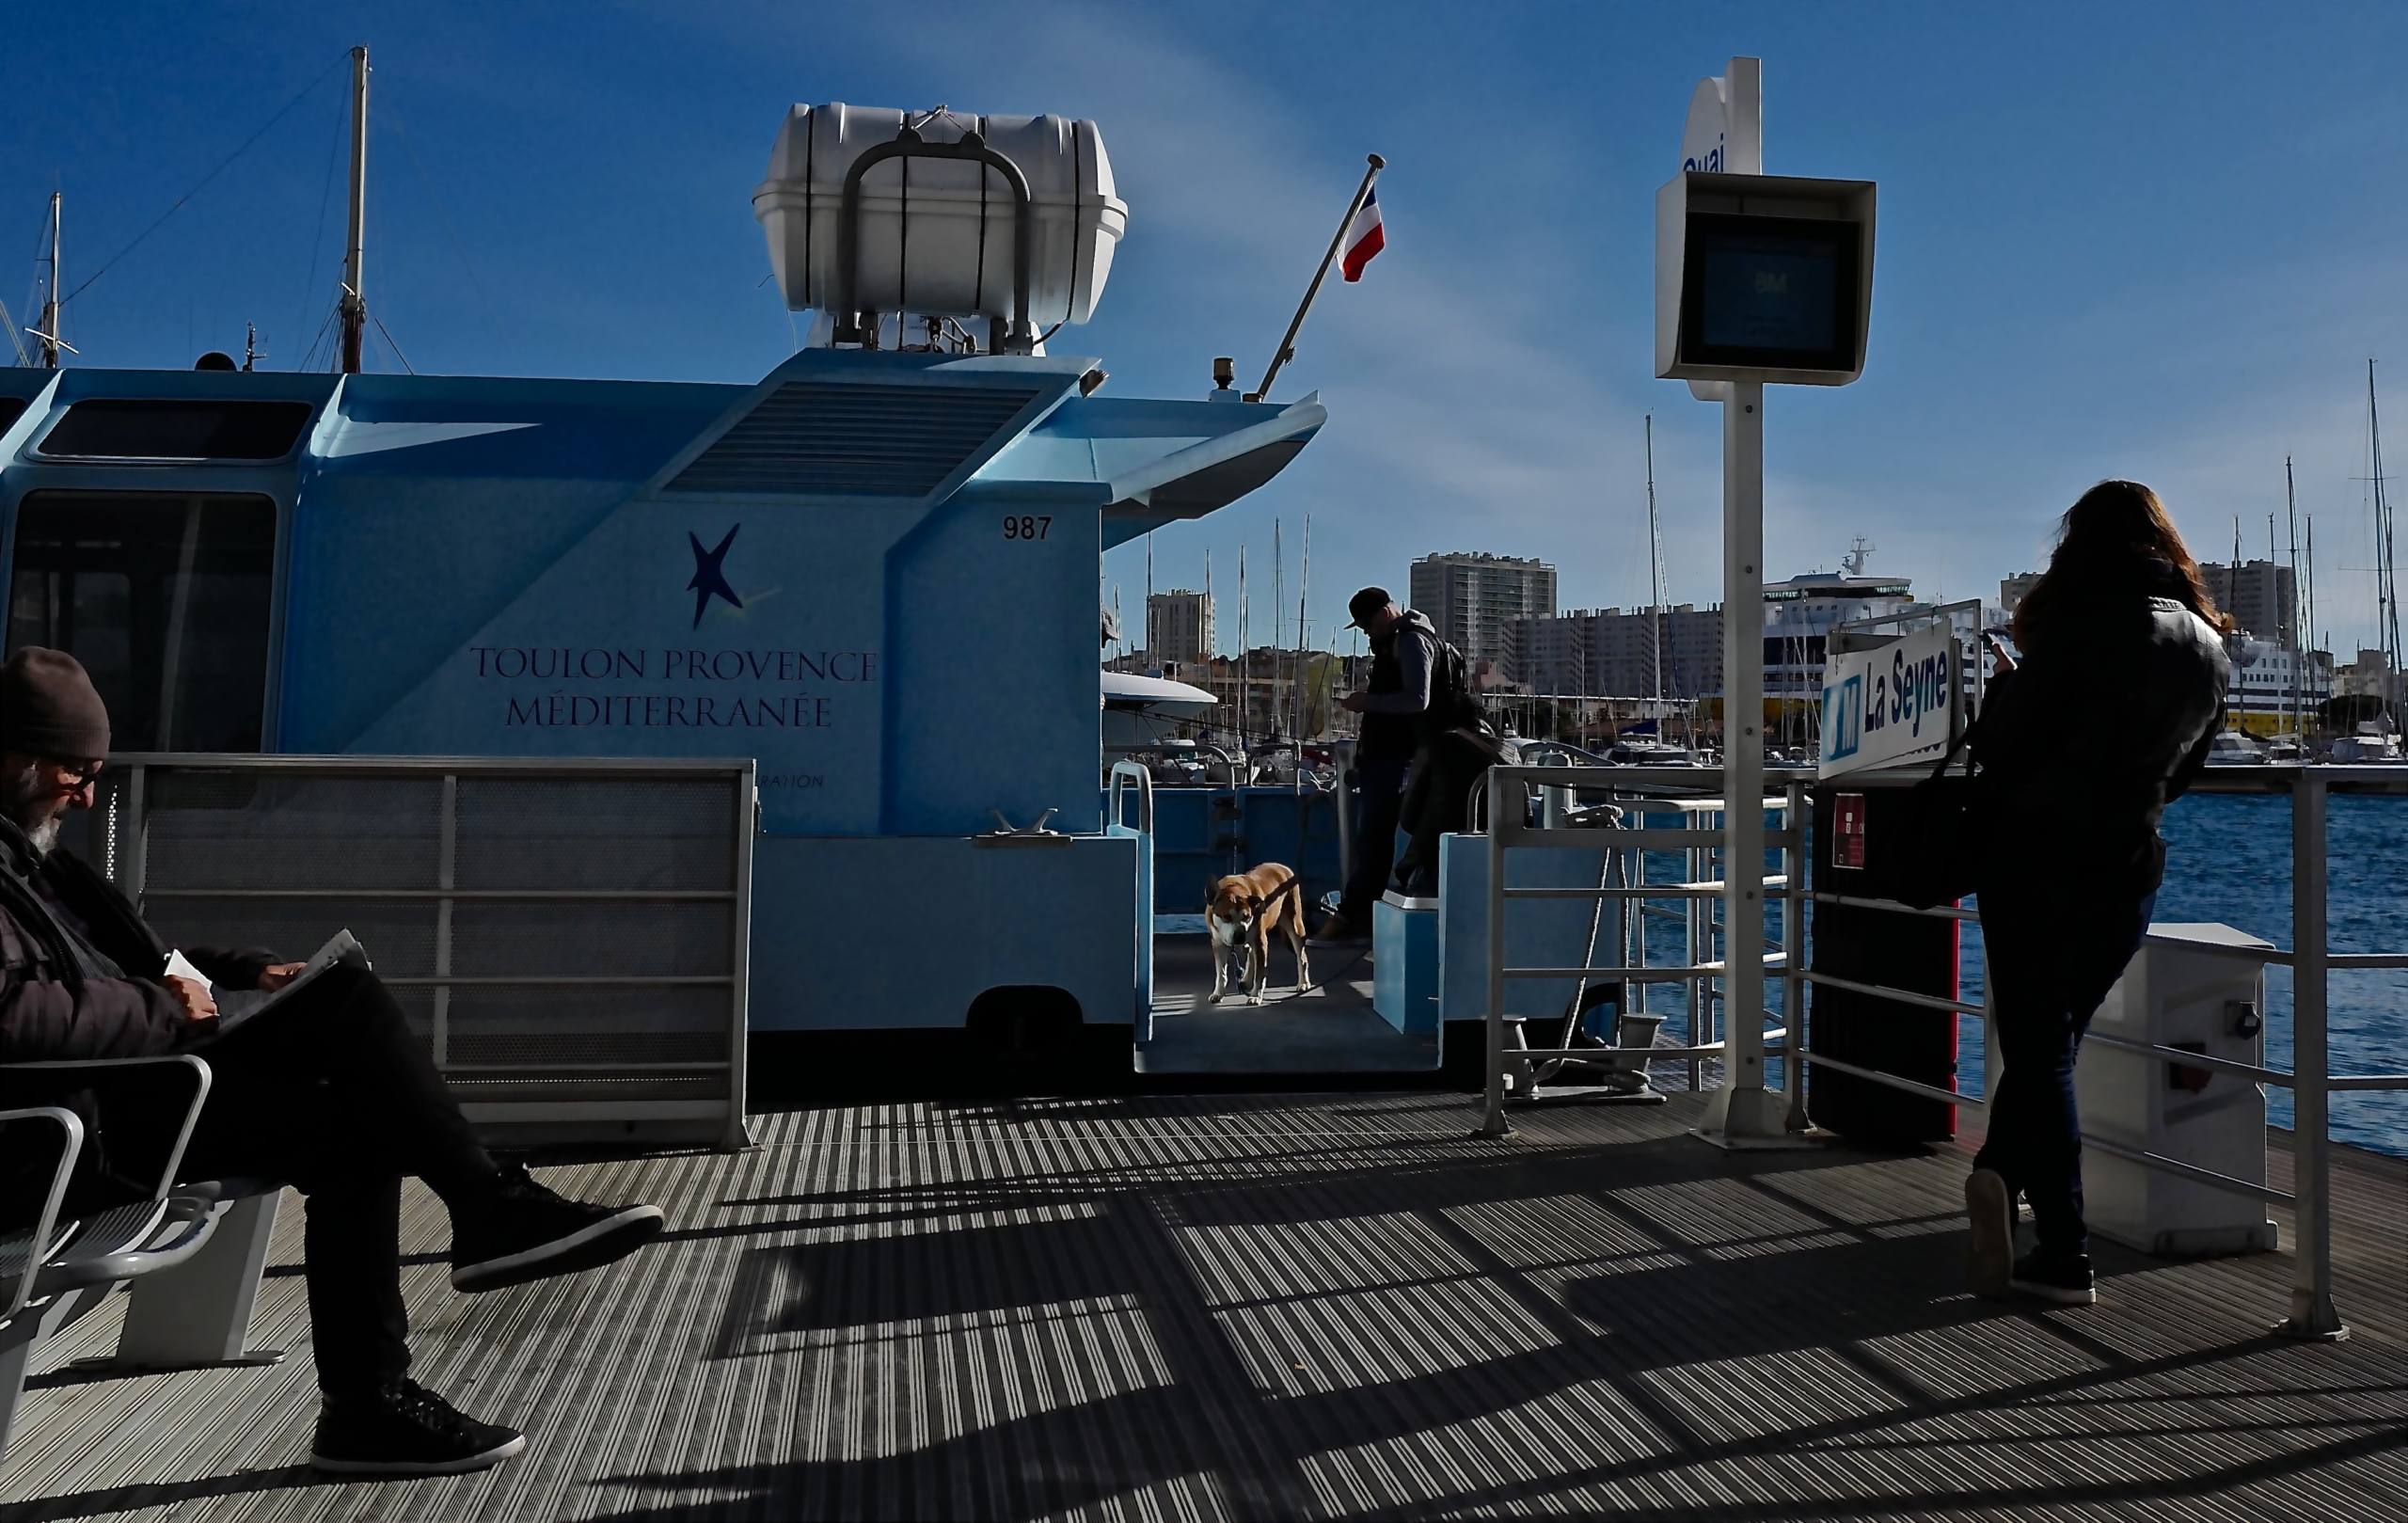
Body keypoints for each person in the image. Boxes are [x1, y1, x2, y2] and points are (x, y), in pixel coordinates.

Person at [0, 646, 666, 1477]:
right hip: (58, 1136)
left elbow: (124, 959)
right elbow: (11, 1013)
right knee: (344, 1003)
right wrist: (164, 1010)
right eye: (76, 769)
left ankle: (368, 1407)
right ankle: (492, 1204)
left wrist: (242, 970)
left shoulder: (38, 863)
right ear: (18, 755)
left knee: (351, 1127)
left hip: (124, 1100)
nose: (90, 792)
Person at [1961, 483, 2229, 1307]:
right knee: (2059, 1039)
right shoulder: (2208, 645)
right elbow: (2184, 774)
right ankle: (2000, 1172)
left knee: (2041, 1044)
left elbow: (2001, 747)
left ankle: (2065, 1250)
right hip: (2130, 861)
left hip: (2035, 856)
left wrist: (2004, 688)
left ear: (2080, 544)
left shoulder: (2079, 626)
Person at [1315, 588, 1430, 941]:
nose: (1366, 633)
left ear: (1384, 613)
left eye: (1366, 625)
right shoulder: (1399, 642)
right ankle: (1360, 914)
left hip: (1396, 760)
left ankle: (1353, 917)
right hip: (1387, 758)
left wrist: (1368, 702)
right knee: (1375, 842)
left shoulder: (1411, 642)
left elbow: (1417, 699)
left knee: (1375, 841)